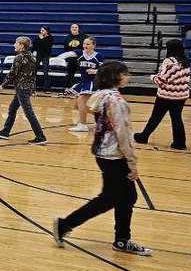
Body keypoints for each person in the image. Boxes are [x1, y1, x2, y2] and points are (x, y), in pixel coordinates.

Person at [53, 61, 152, 256]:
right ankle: (65, 224)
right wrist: (132, 162)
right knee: (109, 198)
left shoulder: (100, 96)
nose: (128, 76)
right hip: (115, 155)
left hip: (102, 152)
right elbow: (123, 133)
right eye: (125, 73)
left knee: (127, 197)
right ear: (116, 77)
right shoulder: (116, 102)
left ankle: (122, 239)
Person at [134, 39, 191, 151]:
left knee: (156, 116)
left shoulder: (169, 62)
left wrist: (153, 77)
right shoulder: (185, 61)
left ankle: (143, 136)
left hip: (167, 95)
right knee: (176, 118)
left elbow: (161, 80)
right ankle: (180, 142)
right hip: (181, 95)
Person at [0, 37, 47, 145]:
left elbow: (12, 73)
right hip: (24, 88)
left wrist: (3, 85)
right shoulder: (32, 57)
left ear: (21, 45)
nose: (14, 45)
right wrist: (33, 88)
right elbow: (33, 75)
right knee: (12, 109)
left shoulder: (19, 58)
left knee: (29, 113)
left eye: (16, 43)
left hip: (22, 89)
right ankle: (5, 131)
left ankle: (40, 136)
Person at [68, 37, 102, 132]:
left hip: (92, 82)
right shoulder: (80, 54)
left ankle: (82, 125)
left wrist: (95, 71)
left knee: (81, 100)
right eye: (84, 44)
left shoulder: (98, 56)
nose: (85, 46)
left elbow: (103, 70)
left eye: (88, 44)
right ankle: (101, 117)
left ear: (93, 45)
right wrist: (57, 58)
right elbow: (68, 54)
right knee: (77, 106)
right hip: (83, 81)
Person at [61, 23, 87, 92]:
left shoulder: (83, 37)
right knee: (70, 72)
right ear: (70, 29)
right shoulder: (67, 38)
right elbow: (66, 49)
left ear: (78, 28)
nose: (74, 28)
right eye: (72, 27)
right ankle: (68, 88)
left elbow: (86, 48)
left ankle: (84, 88)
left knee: (84, 73)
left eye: (76, 27)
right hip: (71, 59)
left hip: (81, 58)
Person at [33, 26, 55, 91]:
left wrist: (42, 39)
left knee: (45, 71)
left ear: (47, 31)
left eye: (43, 30)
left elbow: (46, 47)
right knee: (34, 70)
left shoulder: (50, 38)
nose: (41, 32)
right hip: (38, 55)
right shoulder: (38, 37)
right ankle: (32, 86)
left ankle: (46, 88)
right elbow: (34, 46)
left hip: (46, 55)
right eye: (41, 30)